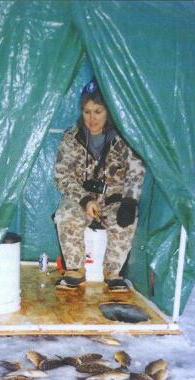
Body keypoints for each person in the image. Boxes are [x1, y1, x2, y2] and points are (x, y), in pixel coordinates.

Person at [54, 78, 145, 292]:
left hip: (113, 199)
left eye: (98, 111)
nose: (92, 118)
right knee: (65, 216)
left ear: (108, 111)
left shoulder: (124, 137)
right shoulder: (71, 137)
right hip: (81, 198)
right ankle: (75, 270)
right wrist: (85, 200)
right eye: (87, 111)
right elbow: (62, 176)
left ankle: (113, 272)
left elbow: (136, 170)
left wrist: (130, 202)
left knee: (125, 221)